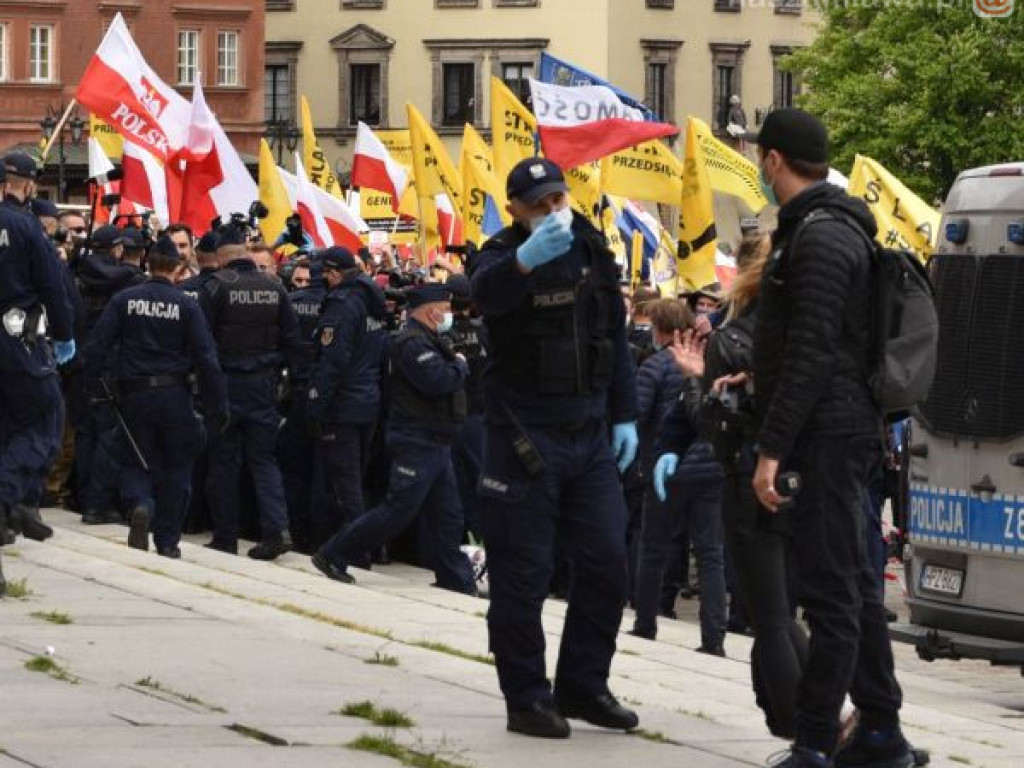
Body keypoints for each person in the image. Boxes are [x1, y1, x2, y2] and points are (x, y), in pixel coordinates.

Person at [750, 108, 910, 768]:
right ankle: (880, 730)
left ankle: (816, 740)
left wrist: (771, 449)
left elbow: (811, 353)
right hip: (840, 429)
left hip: (829, 435)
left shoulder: (818, 237)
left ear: (772, 161)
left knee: (832, 592)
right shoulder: (832, 228)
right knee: (850, 583)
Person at [469, 158, 639, 739]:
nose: (551, 211)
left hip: (590, 434)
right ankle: (527, 696)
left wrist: (626, 415)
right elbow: (483, 295)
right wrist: (523, 261)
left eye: (557, 199)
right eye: (538, 204)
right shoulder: (500, 253)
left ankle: (584, 684)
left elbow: (611, 337)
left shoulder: (591, 248)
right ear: (515, 208)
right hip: (525, 436)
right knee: (524, 574)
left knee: (608, 565)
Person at [312, 284, 475, 595]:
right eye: (447, 308)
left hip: (436, 440)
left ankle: (456, 578)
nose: (450, 315)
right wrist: (459, 365)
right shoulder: (412, 343)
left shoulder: (430, 338)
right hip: (417, 439)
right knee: (397, 510)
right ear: (432, 311)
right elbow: (438, 380)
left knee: (448, 515)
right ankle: (334, 553)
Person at [84, 237, 227, 557]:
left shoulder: (124, 299)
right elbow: (206, 357)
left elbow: (96, 348)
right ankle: (167, 541)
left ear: (148, 263)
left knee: (136, 459)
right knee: (178, 466)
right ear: (177, 268)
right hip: (175, 395)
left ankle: (142, 505)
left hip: (134, 396)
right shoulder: (187, 305)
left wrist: (95, 387)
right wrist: (218, 403)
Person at [199, 222, 300, 560]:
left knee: (223, 462)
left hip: (226, 384)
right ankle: (277, 531)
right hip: (263, 385)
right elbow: (292, 341)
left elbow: (202, 344)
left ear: (220, 257)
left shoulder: (214, 287)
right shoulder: (275, 288)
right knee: (264, 461)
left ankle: (225, 536)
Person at [0, 152, 75, 551]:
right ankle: (8, 497)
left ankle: (19, 509)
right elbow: (53, 287)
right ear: (24, 184)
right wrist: (64, 334)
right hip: (16, 339)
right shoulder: (24, 225)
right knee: (44, 421)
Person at [306, 246, 388, 551]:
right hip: (369, 401)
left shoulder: (342, 304)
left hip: (343, 405)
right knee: (355, 480)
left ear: (335, 273)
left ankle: (355, 551)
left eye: (325, 274)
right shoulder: (374, 301)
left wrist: (316, 404)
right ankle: (362, 546)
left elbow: (333, 361)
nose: (323, 281)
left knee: (344, 485)